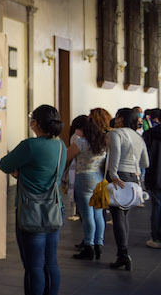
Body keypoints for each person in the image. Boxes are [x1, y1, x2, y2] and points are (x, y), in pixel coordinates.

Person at [0, 105, 66, 295]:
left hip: (31, 213)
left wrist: (21, 173)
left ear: (35, 123)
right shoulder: (60, 146)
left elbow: (4, 164)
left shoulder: (30, 145)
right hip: (53, 210)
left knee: (34, 266)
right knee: (51, 264)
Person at [105, 108, 149, 270]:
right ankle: (123, 253)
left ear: (121, 119)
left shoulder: (116, 134)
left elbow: (115, 153)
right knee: (124, 217)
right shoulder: (138, 137)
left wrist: (114, 174)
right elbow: (146, 163)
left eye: (116, 117)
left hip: (119, 178)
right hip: (133, 179)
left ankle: (123, 255)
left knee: (117, 218)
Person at [66, 115, 107, 260]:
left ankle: (88, 246)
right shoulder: (103, 141)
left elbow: (66, 156)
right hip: (99, 178)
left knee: (86, 214)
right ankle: (99, 244)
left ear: (81, 128)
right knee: (98, 214)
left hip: (83, 178)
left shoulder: (81, 142)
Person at [143, 109, 161, 249]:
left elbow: (145, 158)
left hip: (155, 175)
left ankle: (156, 238)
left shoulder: (149, 134)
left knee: (157, 206)